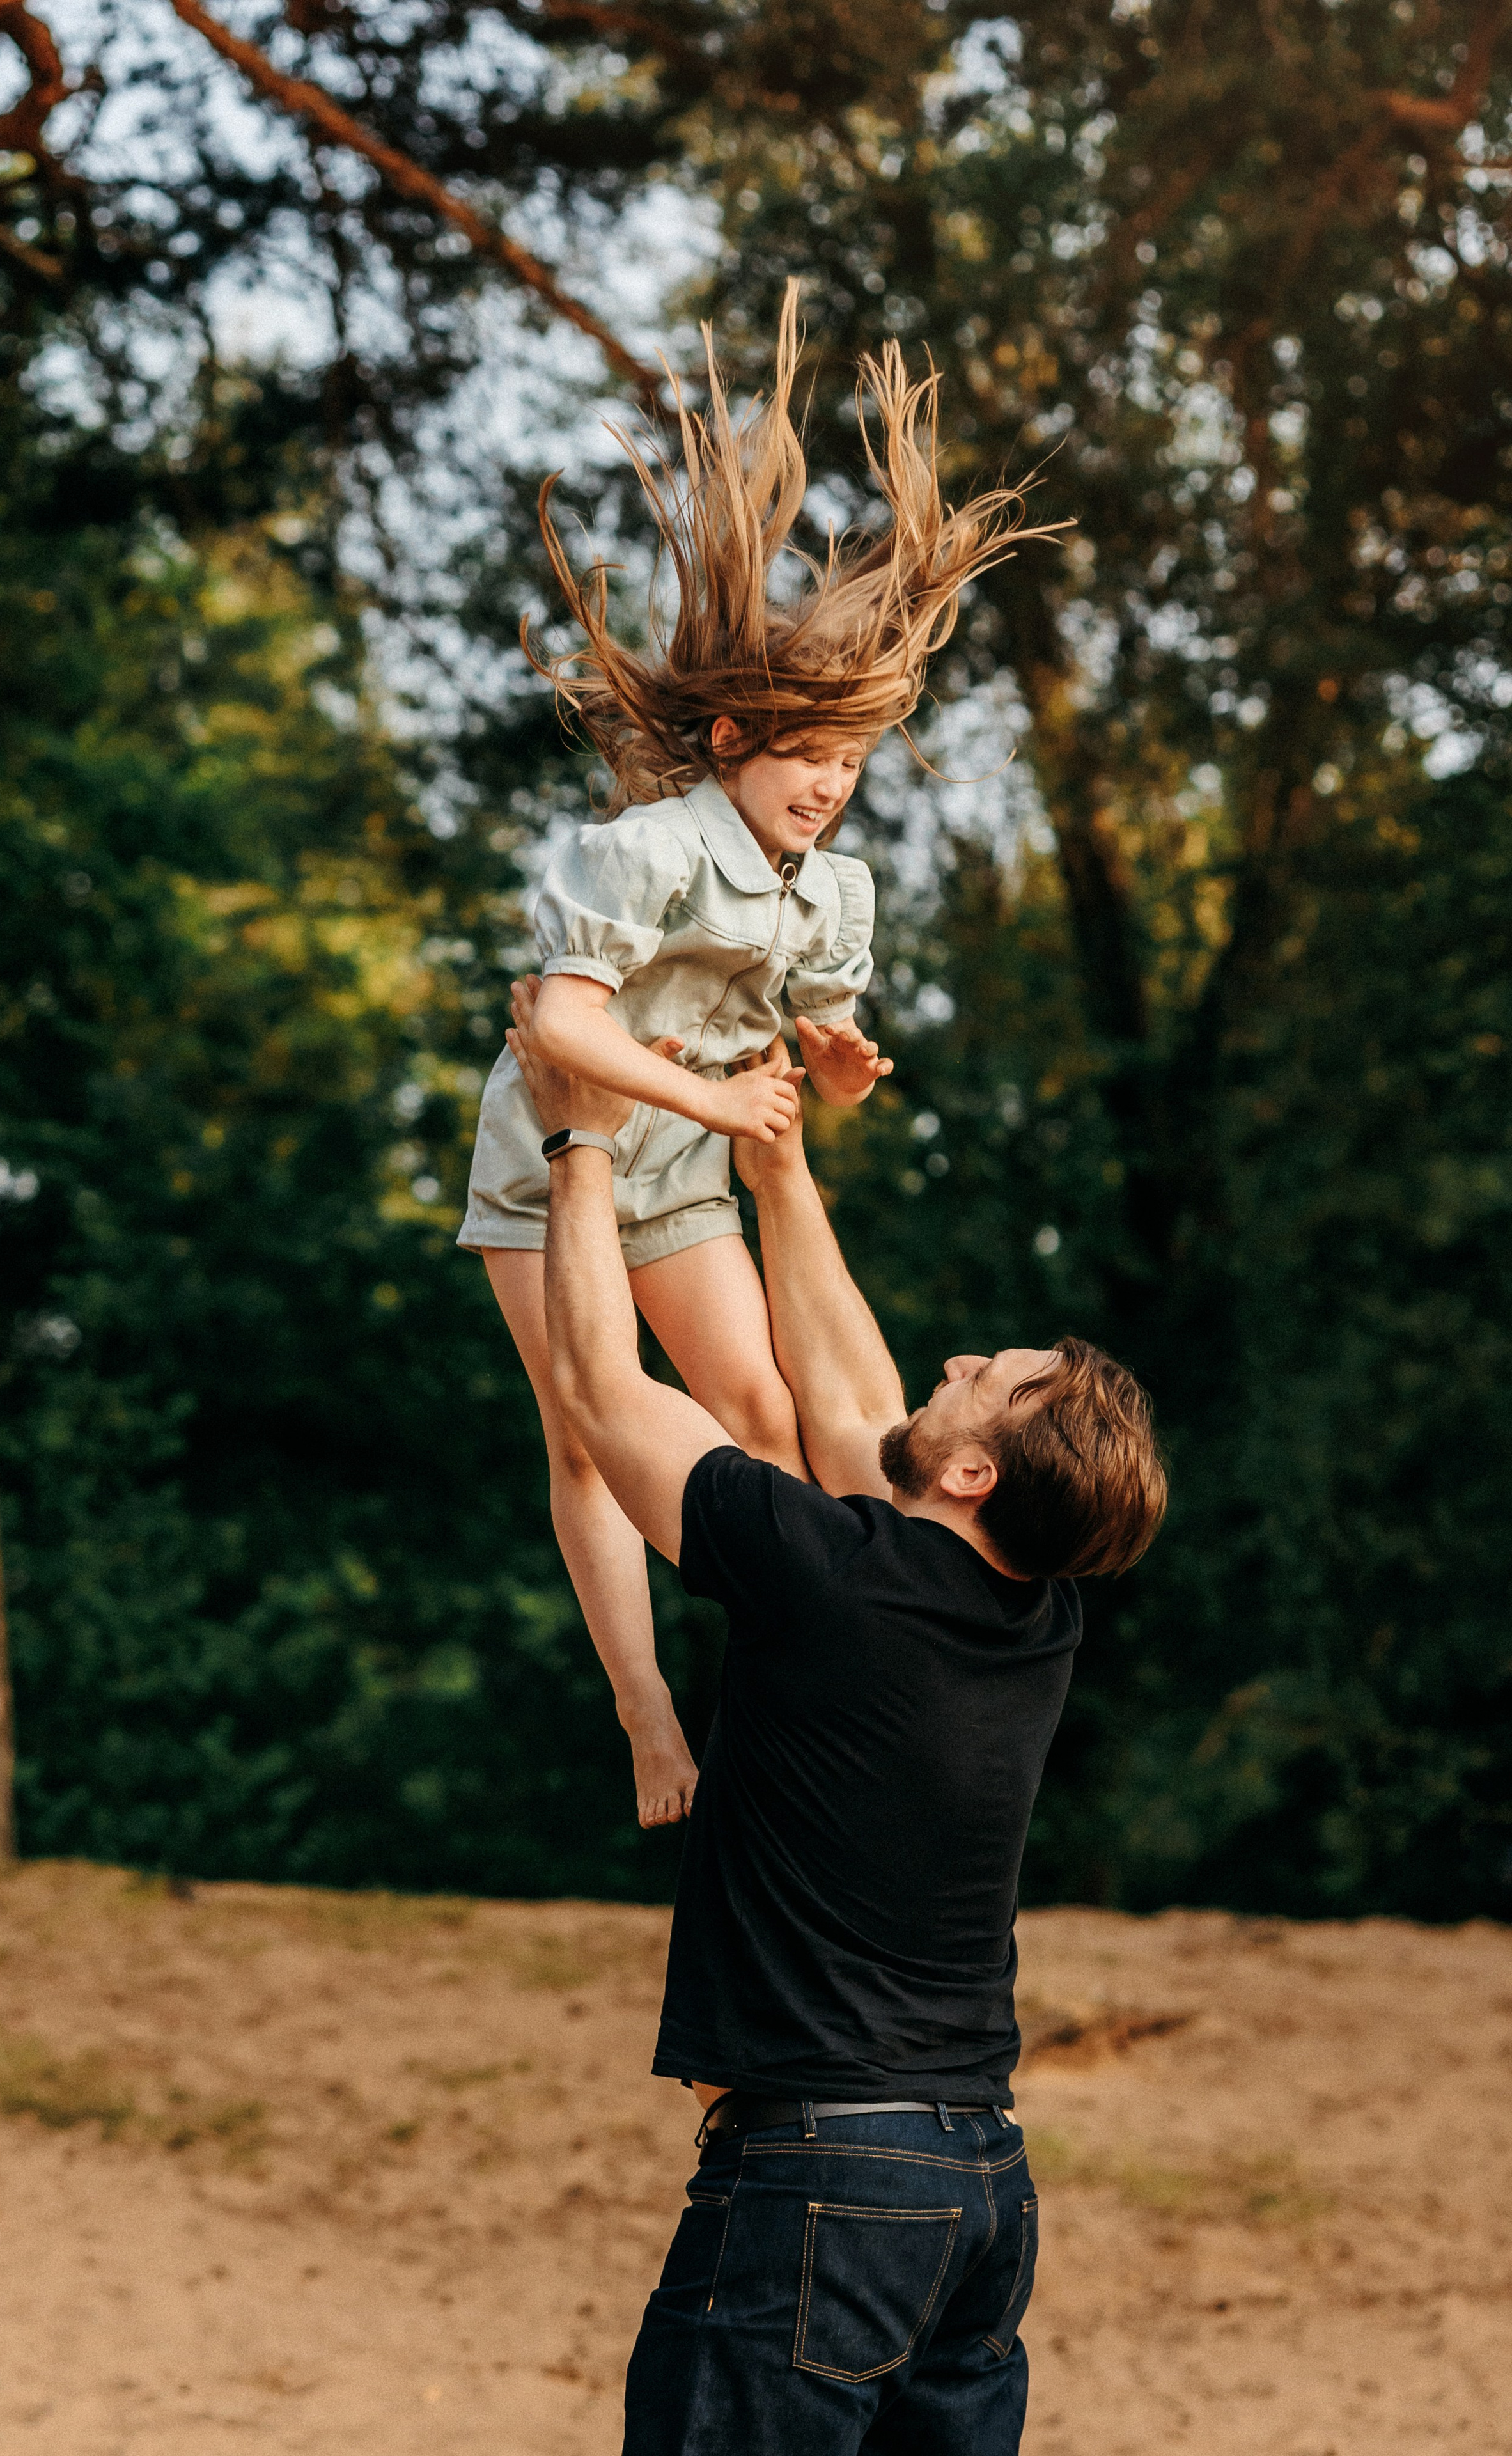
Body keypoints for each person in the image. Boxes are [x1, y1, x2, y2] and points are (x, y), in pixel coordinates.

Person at [505, 995, 1167, 2456]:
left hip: (820, 2187)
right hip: (974, 2195)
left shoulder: (820, 1571)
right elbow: (862, 1405)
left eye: (980, 1381)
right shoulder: (1032, 1616)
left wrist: (579, 1140)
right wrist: (780, 1173)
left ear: (978, 1475)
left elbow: (598, 1391)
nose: (955, 1363)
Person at [458, 283, 1059, 1830]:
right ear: (732, 744)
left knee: (775, 1411)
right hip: (557, 1153)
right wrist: (712, 1099)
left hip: (688, 1159)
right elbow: (560, 1028)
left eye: (853, 766)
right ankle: (651, 1718)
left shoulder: (835, 888)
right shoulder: (643, 846)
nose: (832, 791)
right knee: (590, 1433)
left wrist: (833, 1065)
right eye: (809, 758)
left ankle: (826, 1661)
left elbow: (816, 1024)